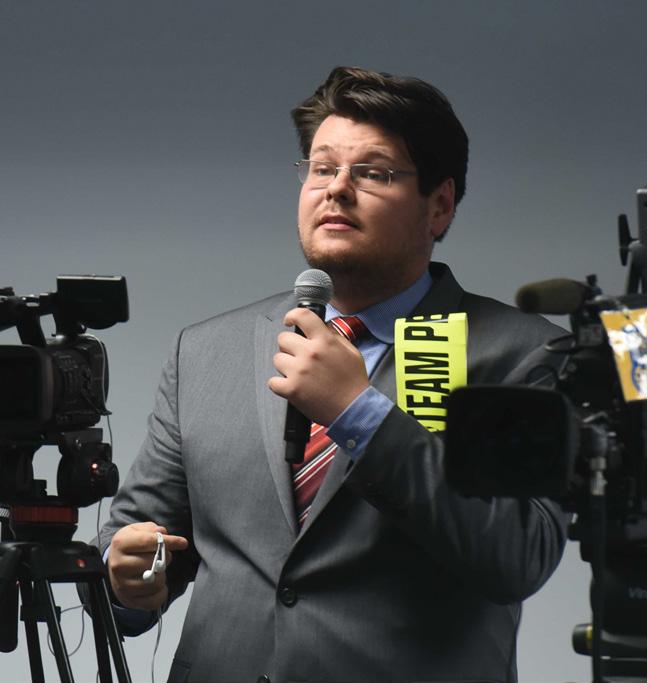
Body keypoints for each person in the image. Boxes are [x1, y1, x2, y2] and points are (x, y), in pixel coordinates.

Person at [97, 66, 567, 683]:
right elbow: (145, 541)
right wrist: (128, 580)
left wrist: (357, 413)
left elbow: (516, 555)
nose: (337, 189)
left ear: (440, 205)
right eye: (322, 168)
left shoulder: (522, 355)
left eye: (373, 173)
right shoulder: (206, 351)